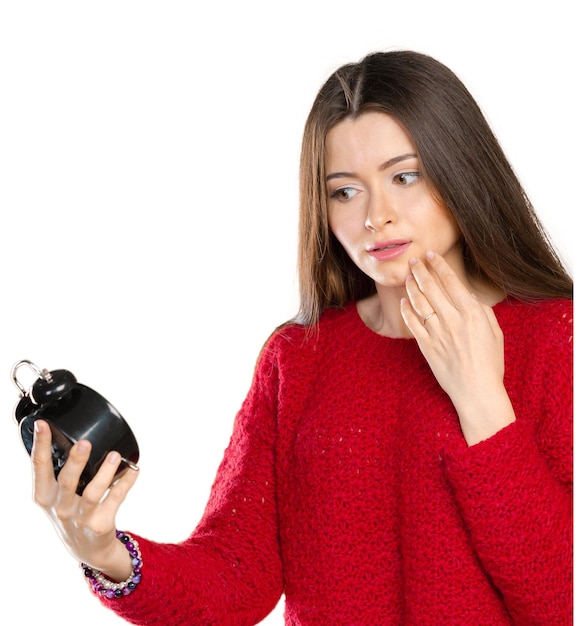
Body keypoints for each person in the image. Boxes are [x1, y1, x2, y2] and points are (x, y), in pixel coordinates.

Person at [30, 50, 572, 625]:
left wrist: (482, 402)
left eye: (404, 176)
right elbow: (233, 575)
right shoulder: (298, 360)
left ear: (461, 170)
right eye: (345, 191)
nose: (376, 215)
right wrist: (107, 555)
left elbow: (561, 599)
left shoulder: (556, 338)